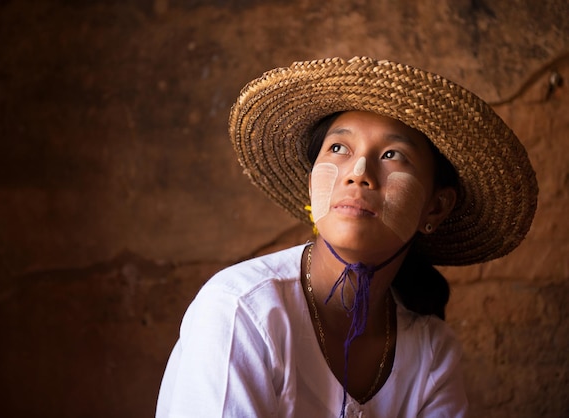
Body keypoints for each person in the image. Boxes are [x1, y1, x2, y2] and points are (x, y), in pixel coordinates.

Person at [156, 56, 538, 417]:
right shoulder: (242, 311)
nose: (358, 172)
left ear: (435, 209)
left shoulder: (431, 354)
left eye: (392, 155)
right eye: (338, 148)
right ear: (312, 184)